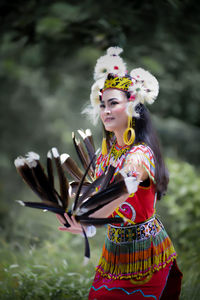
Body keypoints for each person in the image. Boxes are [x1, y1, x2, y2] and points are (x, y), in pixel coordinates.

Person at [57, 47, 183, 299]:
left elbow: (115, 196)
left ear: (133, 106)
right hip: (114, 255)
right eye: (102, 104)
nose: (105, 110)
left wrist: (85, 221)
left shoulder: (139, 156)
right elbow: (96, 199)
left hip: (148, 258)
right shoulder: (107, 154)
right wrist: (81, 221)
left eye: (113, 103)